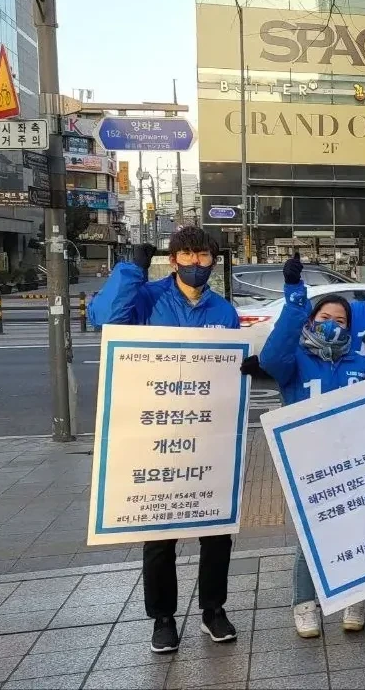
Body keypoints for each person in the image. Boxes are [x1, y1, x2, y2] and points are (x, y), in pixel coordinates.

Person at [88, 229, 240, 654]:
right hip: (155, 433)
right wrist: (132, 270)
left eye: (203, 255)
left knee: (216, 528)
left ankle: (213, 610)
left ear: (213, 261)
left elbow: (228, 367)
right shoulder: (147, 298)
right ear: (172, 260)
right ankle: (163, 618)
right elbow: (105, 318)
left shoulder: (223, 310)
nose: (195, 262)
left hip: (205, 432)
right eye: (186, 254)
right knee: (160, 532)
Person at [255, 254, 365, 638]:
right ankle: (305, 604)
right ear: (311, 321)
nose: (332, 325)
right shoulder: (294, 361)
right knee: (312, 532)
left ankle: (356, 597)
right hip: (308, 458)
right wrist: (295, 299)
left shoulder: (361, 363)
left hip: (353, 459)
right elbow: (270, 357)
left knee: (358, 528)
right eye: (325, 318)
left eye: (341, 321)